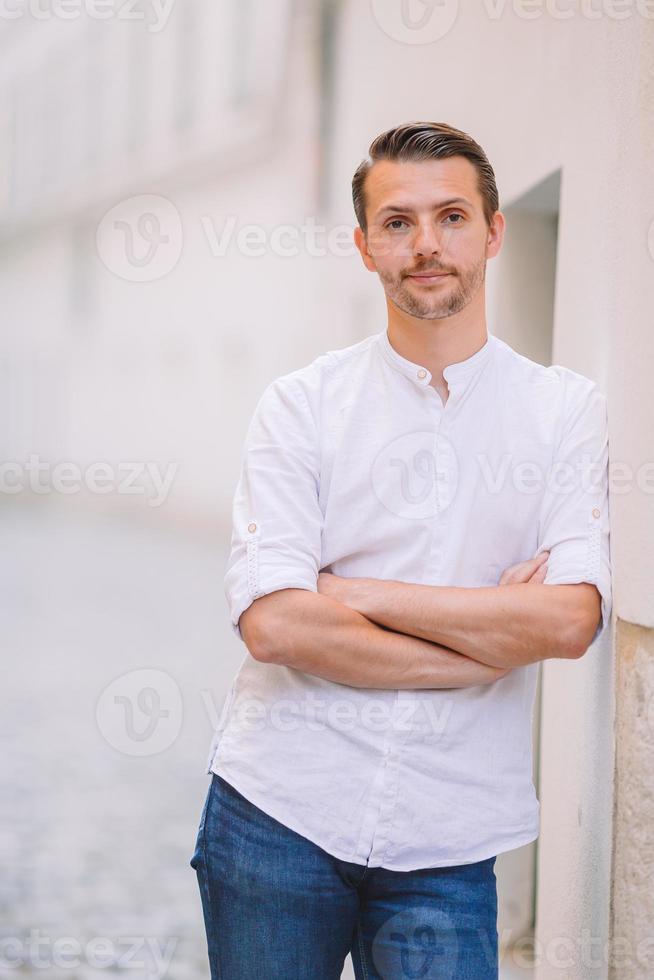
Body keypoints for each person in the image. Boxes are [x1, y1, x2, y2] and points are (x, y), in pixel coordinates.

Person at [190, 121, 612, 979]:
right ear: (364, 245)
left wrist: (350, 593)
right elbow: (273, 628)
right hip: (277, 816)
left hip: (449, 838)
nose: (426, 245)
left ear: (493, 232)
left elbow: (570, 619)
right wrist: (478, 650)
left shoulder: (562, 411)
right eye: (397, 222)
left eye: (452, 216)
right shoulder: (301, 406)